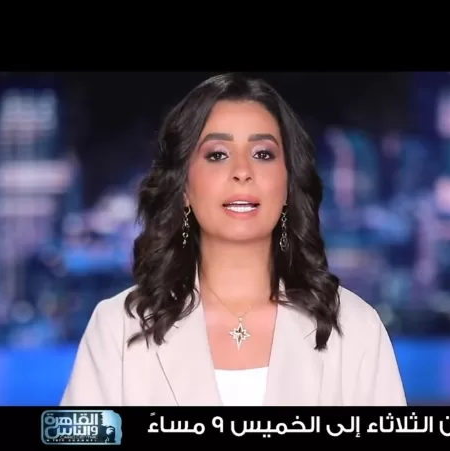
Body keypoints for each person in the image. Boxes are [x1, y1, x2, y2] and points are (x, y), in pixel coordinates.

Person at [61, 73, 406, 406]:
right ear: (184, 187)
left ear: (288, 184)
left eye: (263, 154)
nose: (242, 171)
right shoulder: (119, 327)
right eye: (217, 155)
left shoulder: (355, 328)